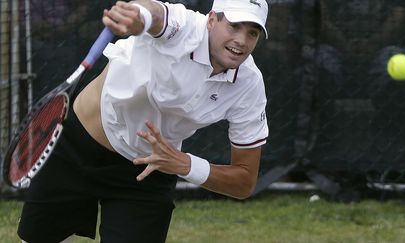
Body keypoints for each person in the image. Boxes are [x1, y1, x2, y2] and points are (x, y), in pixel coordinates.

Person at [17, 0, 269, 242]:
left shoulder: (250, 84)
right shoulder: (185, 27)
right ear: (212, 20)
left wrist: (185, 164)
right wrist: (135, 16)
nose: (241, 41)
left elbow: (245, 181)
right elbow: (153, 13)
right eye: (234, 26)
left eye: (252, 33)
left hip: (147, 172)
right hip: (76, 148)